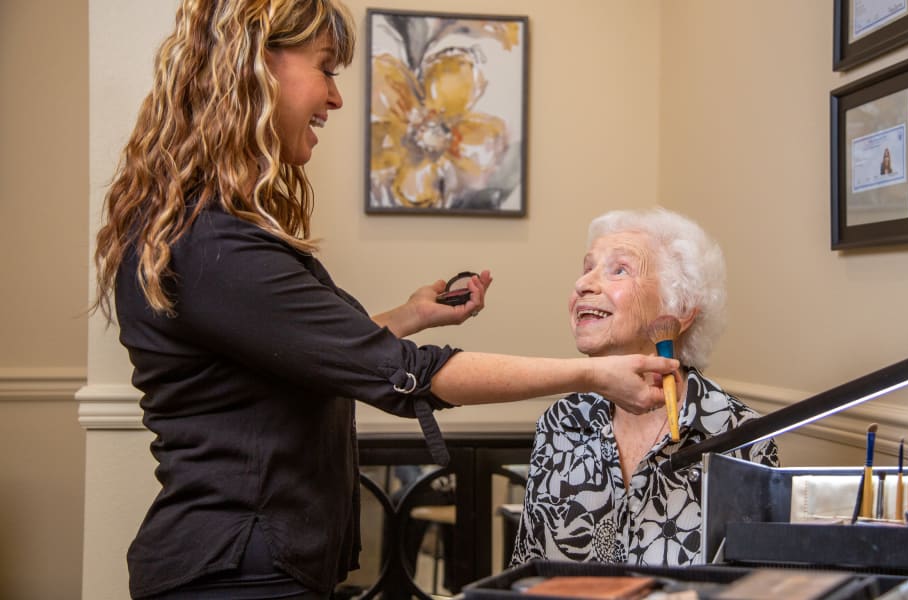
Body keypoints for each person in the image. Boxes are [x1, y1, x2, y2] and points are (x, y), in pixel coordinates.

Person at [91, 2, 676, 598]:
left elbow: (297, 349)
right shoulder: (214, 246)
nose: (336, 98)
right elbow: (408, 374)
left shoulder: (208, 237)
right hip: (233, 570)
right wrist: (594, 374)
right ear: (261, 62)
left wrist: (410, 315)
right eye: (327, 69)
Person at [510, 207, 780, 568]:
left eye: (619, 270)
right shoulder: (560, 422)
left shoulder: (740, 439)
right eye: (586, 267)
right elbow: (527, 570)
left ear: (680, 307)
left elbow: (756, 587)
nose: (583, 284)